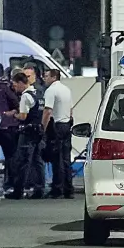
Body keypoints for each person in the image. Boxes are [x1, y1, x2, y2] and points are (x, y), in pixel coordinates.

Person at [4, 72, 46, 200]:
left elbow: (23, 116)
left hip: (27, 132)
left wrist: (13, 115)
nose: (15, 88)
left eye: (16, 85)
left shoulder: (25, 96)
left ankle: (18, 190)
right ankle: (39, 189)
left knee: (22, 161)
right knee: (38, 161)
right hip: (37, 131)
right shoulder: (38, 94)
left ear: (22, 83)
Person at [42, 69, 75, 199]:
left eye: (46, 76)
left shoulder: (51, 90)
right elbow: (71, 109)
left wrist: (42, 128)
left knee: (56, 159)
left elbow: (47, 111)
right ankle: (68, 188)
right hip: (67, 124)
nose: (44, 78)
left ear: (54, 77)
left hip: (56, 126)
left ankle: (57, 188)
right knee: (66, 159)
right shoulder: (66, 89)